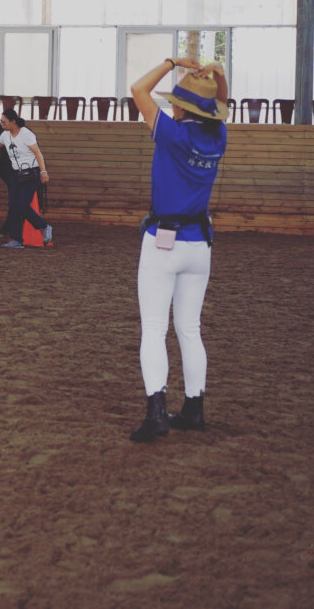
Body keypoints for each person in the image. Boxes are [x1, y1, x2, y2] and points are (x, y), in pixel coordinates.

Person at [127, 56, 229, 443]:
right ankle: (194, 408)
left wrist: (171, 62)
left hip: (163, 242)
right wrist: (220, 77)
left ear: (182, 109)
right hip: (199, 244)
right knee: (190, 329)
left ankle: (156, 414)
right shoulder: (218, 137)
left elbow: (138, 89)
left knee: (154, 329)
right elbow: (222, 107)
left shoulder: (171, 134)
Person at [0, 107, 53, 249]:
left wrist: (43, 171)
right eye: (1, 122)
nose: (2, 124)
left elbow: (38, 153)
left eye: (4, 122)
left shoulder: (26, 134)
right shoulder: (5, 135)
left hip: (31, 173)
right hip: (16, 174)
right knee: (13, 207)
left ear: (13, 121)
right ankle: (17, 240)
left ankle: (44, 226)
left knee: (22, 205)